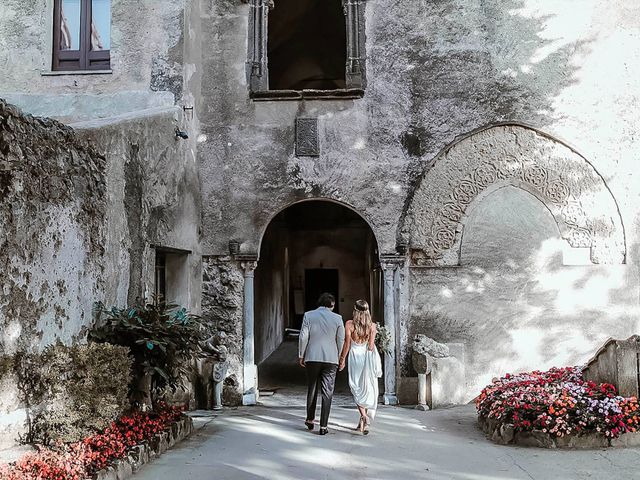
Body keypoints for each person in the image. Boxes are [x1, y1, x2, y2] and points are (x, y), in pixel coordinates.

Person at [298, 292, 345, 435]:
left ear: (319, 303)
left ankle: (310, 419)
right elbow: (340, 339)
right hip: (331, 359)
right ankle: (323, 426)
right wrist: (339, 356)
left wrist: (301, 354)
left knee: (312, 387)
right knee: (327, 392)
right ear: (332, 305)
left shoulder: (308, 315)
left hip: (312, 356)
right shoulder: (338, 318)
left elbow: (303, 336)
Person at [339, 299, 382, 435]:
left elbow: (347, 344)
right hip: (366, 357)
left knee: (356, 387)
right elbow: (370, 346)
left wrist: (342, 359)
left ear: (355, 310)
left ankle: (363, 416)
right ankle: (364, 419)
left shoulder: (349, 324)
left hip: (354, 357)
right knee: (367, 387)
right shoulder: (372, 326)